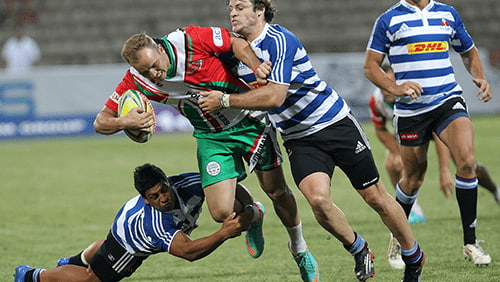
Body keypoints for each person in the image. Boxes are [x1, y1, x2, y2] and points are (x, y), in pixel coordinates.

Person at [198, 1, 425, 281]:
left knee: (374, 197)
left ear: (259, 11)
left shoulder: (280, 41)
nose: (232, 12)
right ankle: (358, 248)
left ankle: (413, 256)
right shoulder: (234, 52)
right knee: (318, 201)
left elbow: (275, 97)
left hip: (334, 123)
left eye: (241, 6)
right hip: (298, 138)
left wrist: (224, 100)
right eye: (231, 6)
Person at [93, 26, 318, 281]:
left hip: (249, 120)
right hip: (211, 136)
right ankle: (254, 214)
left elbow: (234, 42)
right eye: (146, 71)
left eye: (155, 65)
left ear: (159, 47)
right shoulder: (136, 80)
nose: (154, 74)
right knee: (222, 213)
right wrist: (126, 122)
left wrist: (256, 66)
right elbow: (101, 122)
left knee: (277, 191)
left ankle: (299, 248)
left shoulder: (188, 39)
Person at [364, 0, 492, 267]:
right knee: (413, 178)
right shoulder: (388, 20)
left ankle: (470, 243)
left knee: (467, 161)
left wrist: (479, 76)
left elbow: (469, 51)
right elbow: (371, 66)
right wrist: (395, 87)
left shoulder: (447, 13)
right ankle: (399, 240)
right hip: (412, 111)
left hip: (447, 99)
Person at [13, 163, 245, 282]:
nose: (163, 198)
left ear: (168, 181)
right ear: (145, 199)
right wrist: (223, 233)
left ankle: (72, 262)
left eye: (163, 190)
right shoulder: (154, 222)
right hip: (129, 242)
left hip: (127, 222)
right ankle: (32, 275)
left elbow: (223, 184)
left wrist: (248, 204)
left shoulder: (189, 183)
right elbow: (188, 252)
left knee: (103, 253)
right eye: (153, 197)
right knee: (93, 279)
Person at [369, 63, 500, 269]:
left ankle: (495, 191)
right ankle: (409, 215)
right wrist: (395, 151)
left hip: (435, 129)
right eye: (386, 85)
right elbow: (379, 130)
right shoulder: (376, 101)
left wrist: (444, 171)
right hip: (409, 127)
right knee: (395, 164)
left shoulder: (417, 90)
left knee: (467, 163)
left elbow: (438, 137)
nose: (390, 88)